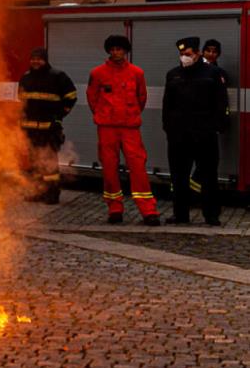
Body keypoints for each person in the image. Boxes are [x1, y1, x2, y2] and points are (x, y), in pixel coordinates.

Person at [86, 34, 160, 225]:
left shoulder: (137, 73)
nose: (116, 52)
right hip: (107, 127)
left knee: (138, 167)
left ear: (125, 51)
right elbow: (92, 98)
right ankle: (115, 208)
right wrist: (104, 115)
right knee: (109, 169)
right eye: (113, 49)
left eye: (119, 49)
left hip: (129, 127)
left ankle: (148, 210)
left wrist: (130, 115)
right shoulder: (97, 73)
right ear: (109, 51)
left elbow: (141, 97)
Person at [162, 35, 228, 226]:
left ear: (197, 53)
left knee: (208, 176)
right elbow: (168, 105)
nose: (185, 57)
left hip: (204, 134)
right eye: (182, 54)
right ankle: (180, 214)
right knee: (178, 177)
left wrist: (217, 126)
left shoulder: (212, 73)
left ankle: (211, 215)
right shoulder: (173, 74)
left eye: (188, 54)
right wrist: (168, 128)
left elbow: (220, 102)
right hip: (178, 136)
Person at [17, 47, 77, 203]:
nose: (36, 61)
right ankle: (39, 191)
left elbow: (71, 96)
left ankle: (52, 193)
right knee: (35, 162)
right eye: (33, 59)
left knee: (49, 163)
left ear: (46, 60)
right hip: (30, 128)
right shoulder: (26, 78)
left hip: (49, 128)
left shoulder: (58, 77)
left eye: (39, 59)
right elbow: (22, 101)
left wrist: (59, 116)